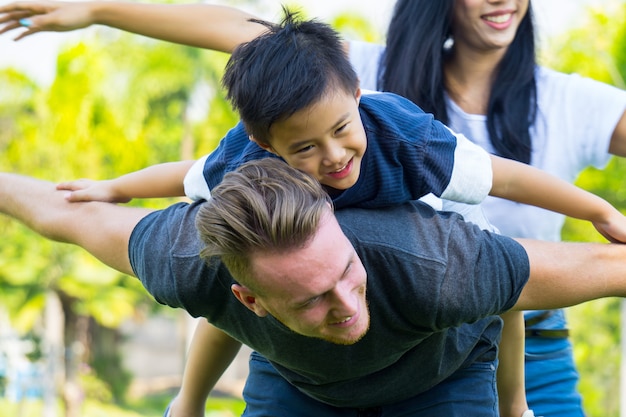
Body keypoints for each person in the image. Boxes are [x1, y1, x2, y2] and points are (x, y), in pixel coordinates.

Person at [2, 2, 626, 416]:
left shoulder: (403, 135)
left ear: (356, 98)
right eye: (305, 146)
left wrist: (598, 209)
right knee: (231, 268)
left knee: (491, 281)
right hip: (302, 338)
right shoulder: (296, 105)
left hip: (472, 314)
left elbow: (509, 183)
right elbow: (230, 44)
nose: (332, 157)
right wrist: (116, 185)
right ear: (266, 140)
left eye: (340, 131)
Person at [3, 157, 626, 417]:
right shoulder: (183, 258)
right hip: (299, 382)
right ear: (250, 297)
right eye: (312, 299)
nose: (349, 307)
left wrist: (514, 405)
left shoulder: (437, 265)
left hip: (444, 373)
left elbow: (595, 271)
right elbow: (63, 213)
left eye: (346, 276)